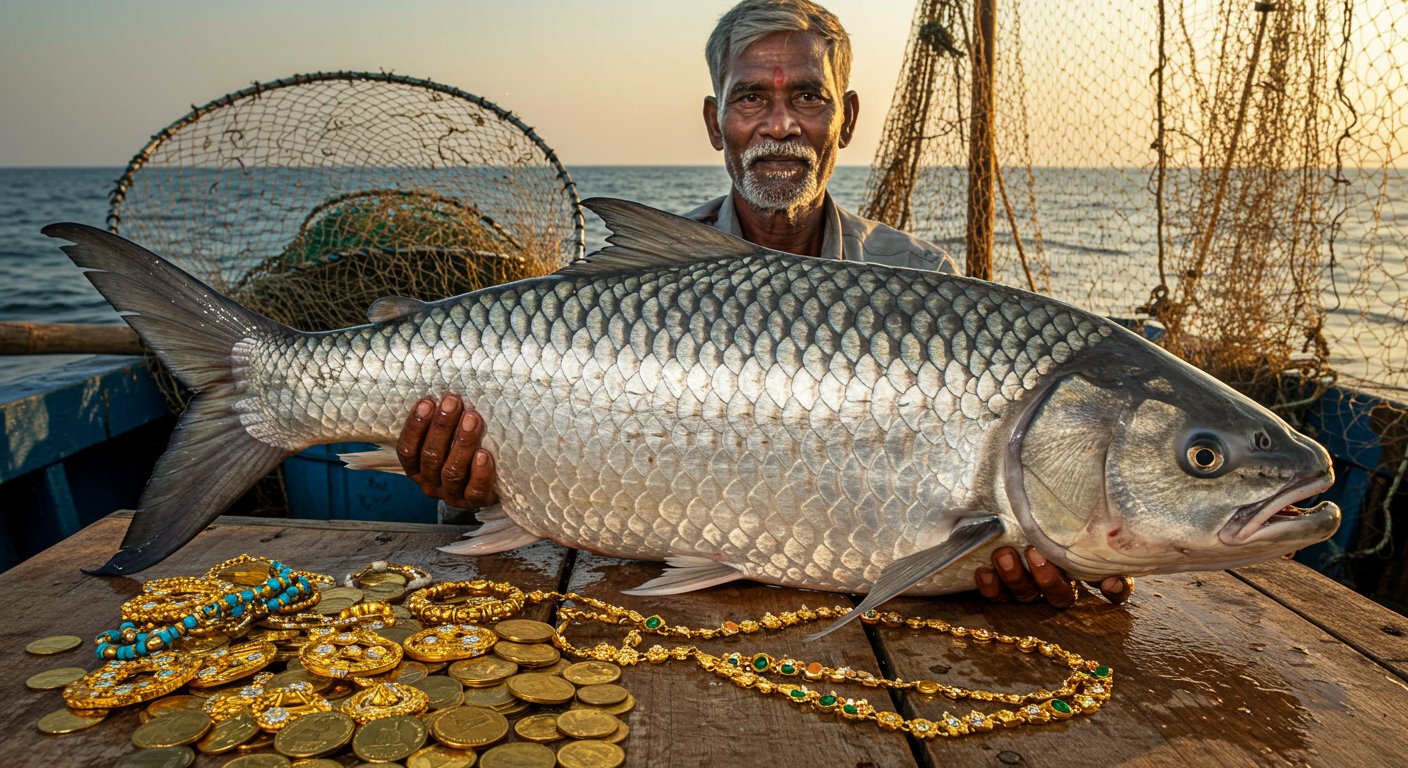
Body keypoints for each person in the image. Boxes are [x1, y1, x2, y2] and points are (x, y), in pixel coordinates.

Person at [396, 0, 1131, 609]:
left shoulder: (921, 281)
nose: (780, 124)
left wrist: (1039, 551)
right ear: (718, 122)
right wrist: (466, 484)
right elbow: (496, 483)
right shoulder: (626, 289)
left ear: (843, 117)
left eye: (806, 96)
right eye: (753, 97)